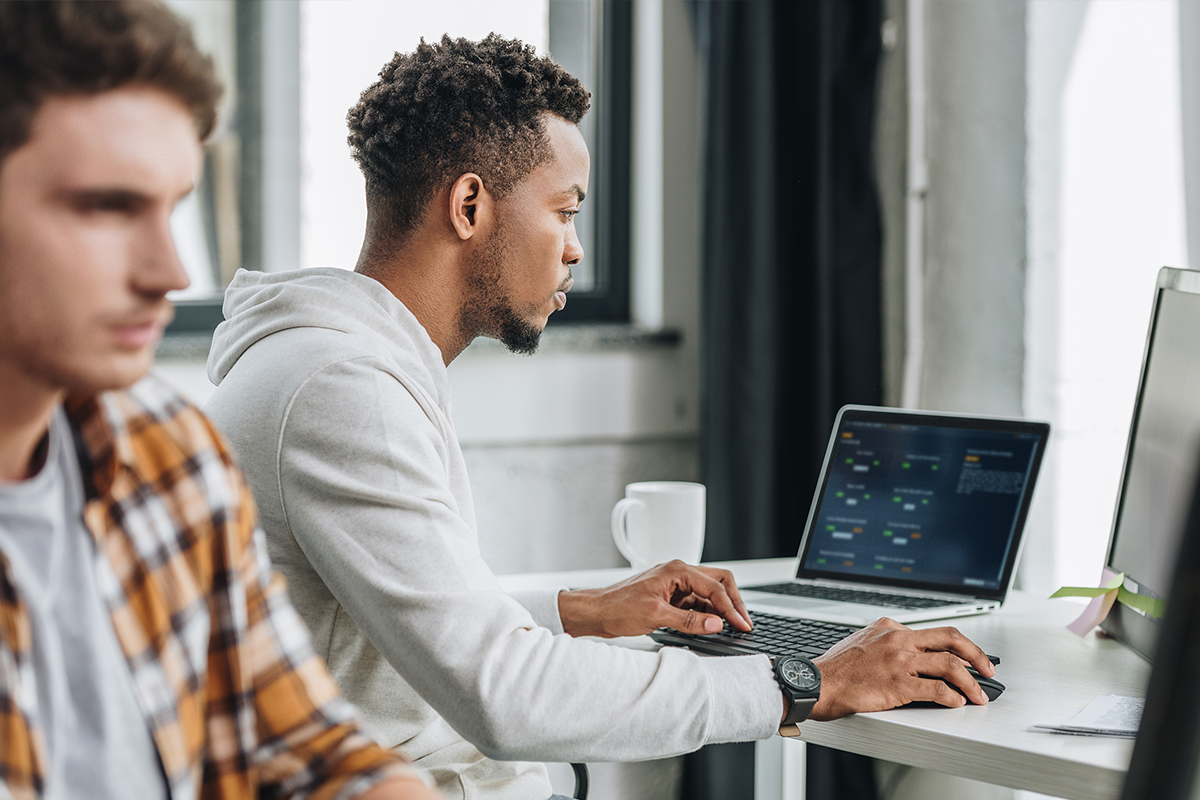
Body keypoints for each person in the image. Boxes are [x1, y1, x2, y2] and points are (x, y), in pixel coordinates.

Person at [205, 34, 998, 800]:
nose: (576, 249)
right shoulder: (345, 390)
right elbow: (506, 697)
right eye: (564, 210)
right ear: (470, 204)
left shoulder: (328, 363)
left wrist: (578, 612)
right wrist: (805, 680)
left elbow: (407, 616)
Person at [0, 3, 444, 798]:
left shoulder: (171, 461)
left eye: (172, 208)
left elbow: (297, 741)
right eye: (107, 207)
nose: (170, 270)